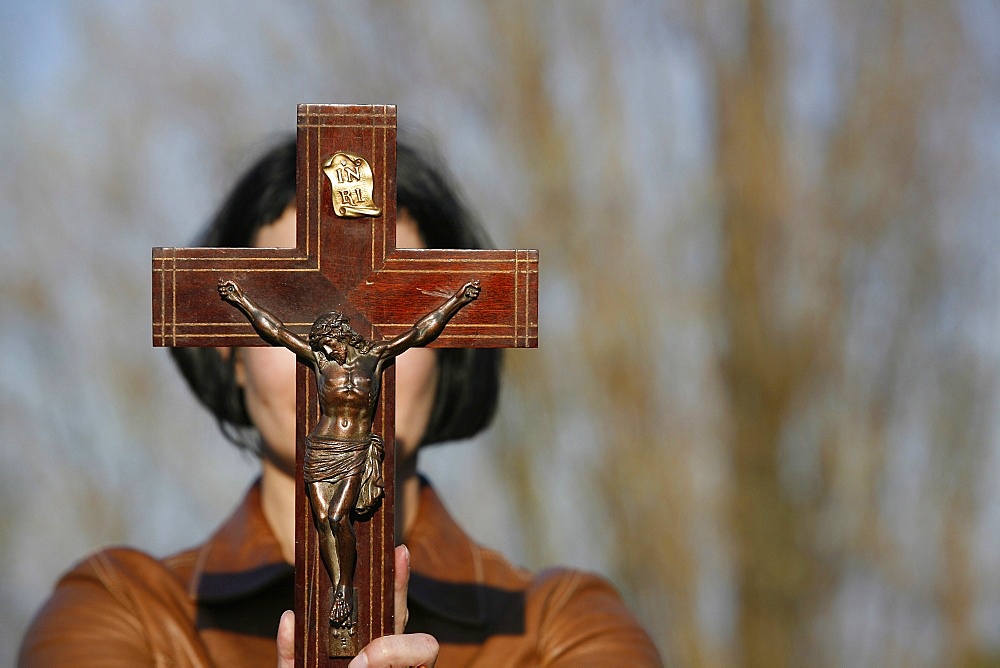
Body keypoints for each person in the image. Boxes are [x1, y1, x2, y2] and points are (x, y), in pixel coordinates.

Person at [20, 137, 662, 666]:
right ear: (229, 354)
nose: (348, 321)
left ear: (452, 353)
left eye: (389, 302)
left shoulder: (558, 628)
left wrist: (456, 299)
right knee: (332, 526)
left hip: (364, 461)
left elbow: (421, 324)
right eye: (295, 298)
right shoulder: (128, 614)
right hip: (328, 458)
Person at [218, 276, 481, 628]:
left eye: (330, 344)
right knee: (323, 521)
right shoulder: (319, 363)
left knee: (339, 517)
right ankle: (338, 584)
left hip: (354, 448)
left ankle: (343, 586)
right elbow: (276, 332)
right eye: (322, 346)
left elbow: (420, 331)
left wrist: (457, 301)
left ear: (342, 335)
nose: (328, 351)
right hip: (321, 447)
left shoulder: (374, 358)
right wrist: (242, 302)